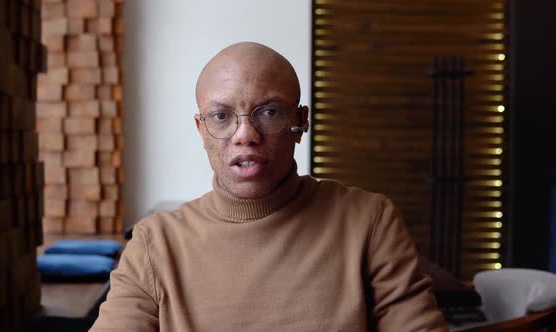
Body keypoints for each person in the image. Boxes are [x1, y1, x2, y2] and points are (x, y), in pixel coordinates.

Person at [90, 42, 448, 331]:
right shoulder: (155, 244)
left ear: (301, 121)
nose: (246, 134)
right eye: (221, 116)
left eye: (270, 112)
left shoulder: (368, 221)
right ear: (201, 131)